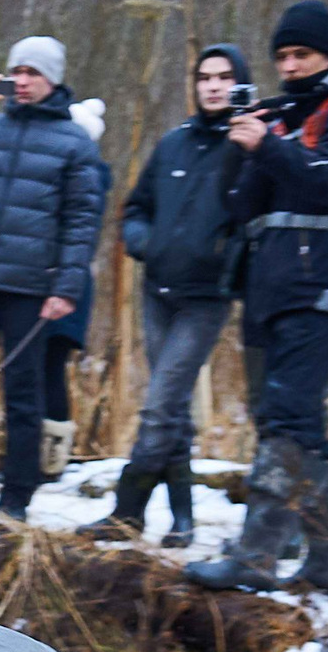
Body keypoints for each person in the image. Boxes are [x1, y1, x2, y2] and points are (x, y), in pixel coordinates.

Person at [187, 1, 328, 594]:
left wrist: (270, 148)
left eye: (301, 54)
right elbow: (243, 204)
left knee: (284, 419)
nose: (291, 65)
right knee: (306, 429)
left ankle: (255, 555)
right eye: (282, 56)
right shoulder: (282, 115)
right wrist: (246, 144)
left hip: (326, 287)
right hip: (276, 289)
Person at [0, 35, 107, 520]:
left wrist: (66, 288)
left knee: (23, 394)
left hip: (29, 288)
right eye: (17, 72)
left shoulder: (74, 141)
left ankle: (16, 499)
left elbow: (82, 220)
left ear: (53, 80)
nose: (23, 81)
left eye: (33, 73)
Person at [82, 46, 253, 546]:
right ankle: (182, 517)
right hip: (157, 292)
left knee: (160, 406)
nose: (214, 86)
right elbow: (135, 208)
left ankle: (126, 509)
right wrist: (144, 242)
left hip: (206, 298)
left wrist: (228, 256)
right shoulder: (173, 144)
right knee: (171, 407)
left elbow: (255, 217)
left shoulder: (248, 145)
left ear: (240, 84)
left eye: (225, 78)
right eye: (205, 77)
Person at [40, 97, 112, 480]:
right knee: (42, 369)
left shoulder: (87, 179)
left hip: (66, 288)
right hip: (58, 284)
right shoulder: (89, 176)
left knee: (48, 368)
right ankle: (47, 454)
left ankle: (52, 457)